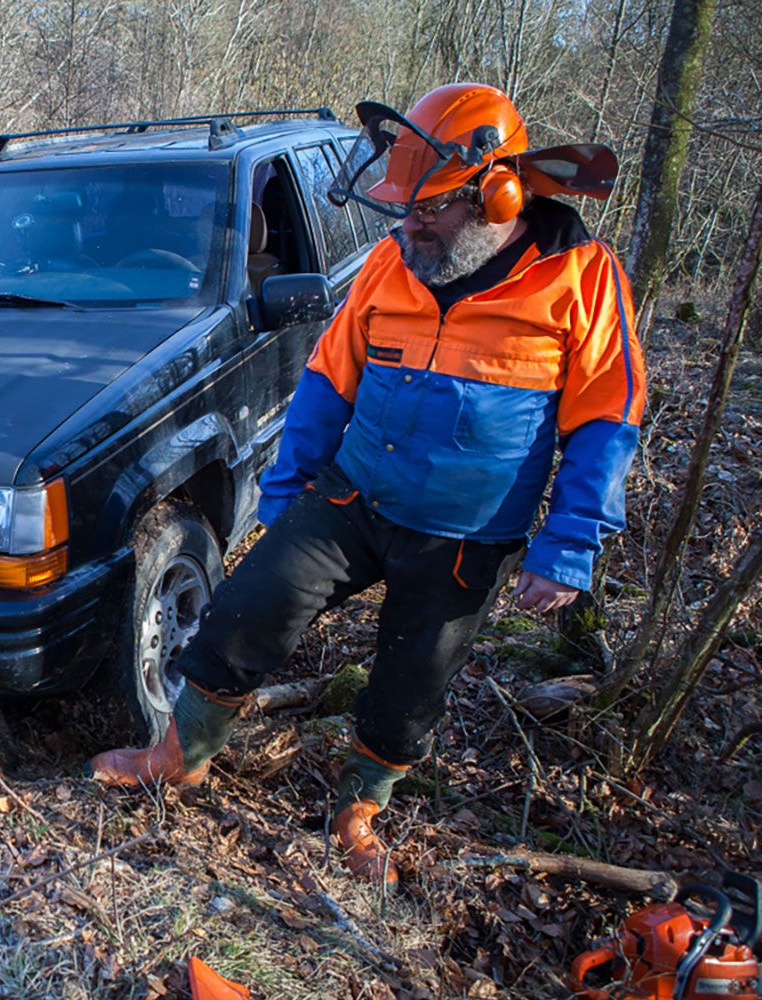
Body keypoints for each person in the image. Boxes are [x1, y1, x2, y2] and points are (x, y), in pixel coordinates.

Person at [88, 83, 645, 887]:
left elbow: (608, 416)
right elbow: (326, 380)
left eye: (430, 209)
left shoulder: (579, 279)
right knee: (247, 610)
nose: (409, 223)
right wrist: (286, 494)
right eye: (404, 208)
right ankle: (180, 755)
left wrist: (569, 541)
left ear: (497, 194)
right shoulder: (391, 262)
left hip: (467, 532)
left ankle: (359, 809)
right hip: (352, 496)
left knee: (411, 680)